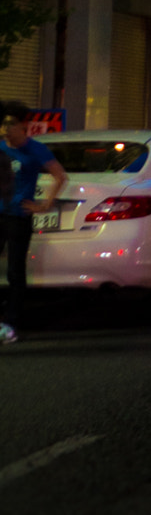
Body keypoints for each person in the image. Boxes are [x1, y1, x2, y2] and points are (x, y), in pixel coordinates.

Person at [0, 102, 66, 344]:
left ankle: (10, 324)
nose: (7, 130)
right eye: (4, 124)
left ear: (24, 126)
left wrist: (45, 205)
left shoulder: (36, 150)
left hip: (18, 216)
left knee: (15, 272)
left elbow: (60, 176)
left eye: (11, 125)